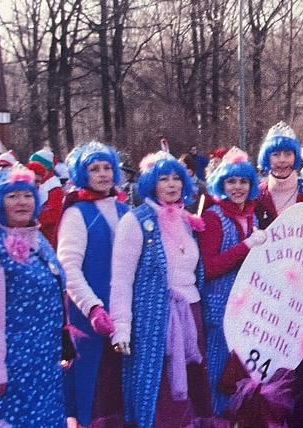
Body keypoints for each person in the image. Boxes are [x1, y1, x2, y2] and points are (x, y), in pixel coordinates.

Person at [109, 151, 215, 428]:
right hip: (155, 323)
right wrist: (121, 327)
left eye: (176, 178)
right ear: (150, 184)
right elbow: (121, 279)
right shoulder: (135, 221)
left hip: (192, 315)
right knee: (161, 393)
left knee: (193, 392)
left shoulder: (187, 220)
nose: (171, 184)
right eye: (163, 179)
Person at [0, 165, 67, 426]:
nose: (22, 202)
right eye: (13, 196)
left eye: (28, 195)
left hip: (42, 365)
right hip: (8, 369)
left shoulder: (36, 238)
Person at [56, 141, 128, 427]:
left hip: (123, 315)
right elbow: (68, 268)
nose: (102, 174)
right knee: (92, 390)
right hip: (88, 319)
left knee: (120, 390)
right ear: (82, 174)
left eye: (107, 167)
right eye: (94, 169)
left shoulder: (125, 210)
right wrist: (93, 308)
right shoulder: (77, 213)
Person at [197, 146, 266, 416]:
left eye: (243, 181)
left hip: (247, 309)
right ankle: (218, 419)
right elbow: (210, 268)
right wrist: (247, 246)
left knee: (241, 372)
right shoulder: (213, 217)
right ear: (221, 184)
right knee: (219, 371)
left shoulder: (251, 216)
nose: (238, 187)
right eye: (231, 181)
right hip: (219, 309)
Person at [255, 122, 303, 229]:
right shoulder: (257, 194)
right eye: (276, 155)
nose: (282, 160)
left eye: (288, 154)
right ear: (266, 158)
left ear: (295, 157)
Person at [29, 147, 65, 247]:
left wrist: (33, 221)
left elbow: (54, 214)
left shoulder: (54, 187)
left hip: (49, 238)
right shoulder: (39, 184)